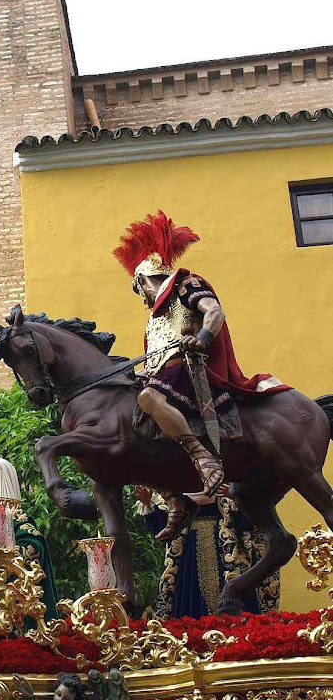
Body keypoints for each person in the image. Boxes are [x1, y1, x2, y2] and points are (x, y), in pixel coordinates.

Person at [113, 211, 291, 539]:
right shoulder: (155, 318)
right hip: (167, 374)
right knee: (132, 431)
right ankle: (174, 498)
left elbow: (214, 311)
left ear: (142, 281)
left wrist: (203, 337)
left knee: (148, 397)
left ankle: (202, 458)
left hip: (191, 368)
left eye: (141, 292)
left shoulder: (186, 285)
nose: (144, 301)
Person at [133, 485, 280, 619]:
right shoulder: (175, 480)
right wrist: (148, 502)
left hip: (227, 551)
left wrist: (235, 496)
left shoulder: (227, 477)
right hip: (188, 557)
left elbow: (246, 524)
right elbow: (162, 529)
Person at [0, 457, 59, 621]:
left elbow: (35, 546)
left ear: (1, 479)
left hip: (17, 602)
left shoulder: (18, 518)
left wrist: (0, 557)